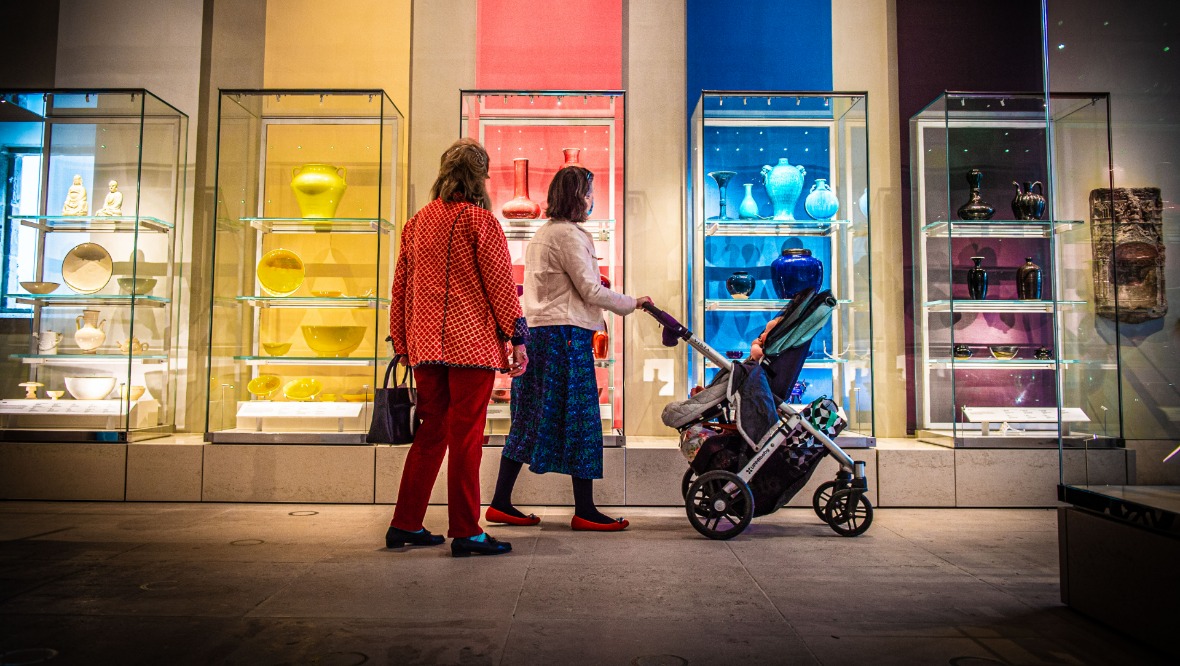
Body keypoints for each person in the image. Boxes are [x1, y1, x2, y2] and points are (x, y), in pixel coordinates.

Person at [488, 165, 652, 532]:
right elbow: (591, 291)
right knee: (582, 420)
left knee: (528, 418)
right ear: (577, 196)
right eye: (588, 193)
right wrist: (632, 302)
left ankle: (500, 502)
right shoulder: (569, 236)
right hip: (565, 336)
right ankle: (585, 510)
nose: (591, 199)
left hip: (540, 335)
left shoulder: (545, 234)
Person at [386, 138, 528, 557]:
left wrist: (403, 342)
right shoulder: (480, 222)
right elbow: (500, 285)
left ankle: (405, 523)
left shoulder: (417, 222)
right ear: (479, 178)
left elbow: (400, 290)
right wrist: (517, 336)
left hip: (426, 347)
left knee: (431, 434)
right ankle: (466, 531)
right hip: (472, 349)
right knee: (466, 437)